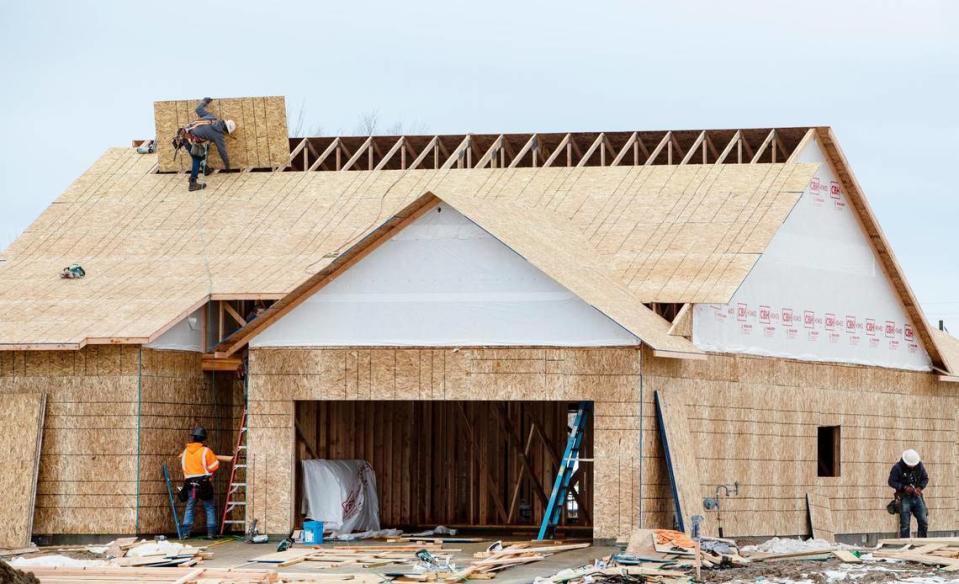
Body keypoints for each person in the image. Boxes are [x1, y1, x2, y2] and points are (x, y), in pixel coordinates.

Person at [180, 426, 232, 539]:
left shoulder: (185, 452)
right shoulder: (206, 451)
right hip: (203, 484)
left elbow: (184, 467)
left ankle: (185, 533)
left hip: (190, 485)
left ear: (193, 438)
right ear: (203, 439)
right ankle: (211, 533)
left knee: (190, 507)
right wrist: (207, 471)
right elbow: (215, 466)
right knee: (209, 507)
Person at [183, 97, 237, 192]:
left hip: (183, 134)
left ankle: (205, 168)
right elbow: (222, 151)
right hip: (190, 139)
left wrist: (205, 102)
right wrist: (227, 167)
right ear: (226, 130)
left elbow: (198, 109)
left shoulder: (211, 117)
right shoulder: (218, 135)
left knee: (205, 148)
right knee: (197, 158)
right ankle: (192, 183)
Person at [888, 449, 929, 538]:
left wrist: (920, 488)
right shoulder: (897, 468)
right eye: (910, 465)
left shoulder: (919, 466)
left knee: (923, 520)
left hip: (916, 497)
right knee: (905, 523)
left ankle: (921, 543)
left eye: (913, 465)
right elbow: (891, 481)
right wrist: (904, 487)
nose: (912, 466)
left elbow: (925, 478)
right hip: (904, 497)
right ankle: (905, 543)